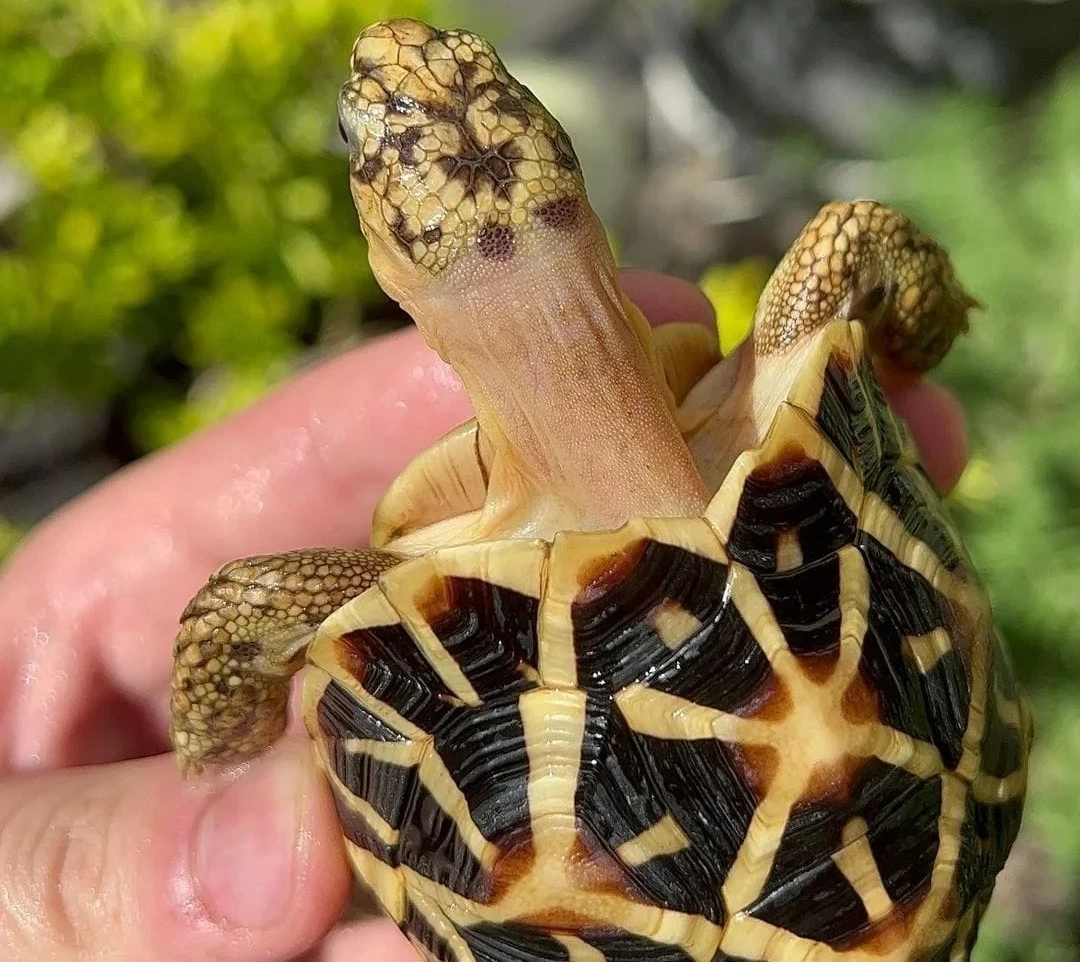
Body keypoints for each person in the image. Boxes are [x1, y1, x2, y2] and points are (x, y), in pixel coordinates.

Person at [0, 272, 967, 962]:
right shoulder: (787, 356)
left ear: (398, 266)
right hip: (925, 793)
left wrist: (222, 759)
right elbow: (869, 257)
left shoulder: (364, 591)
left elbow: (240, 612)